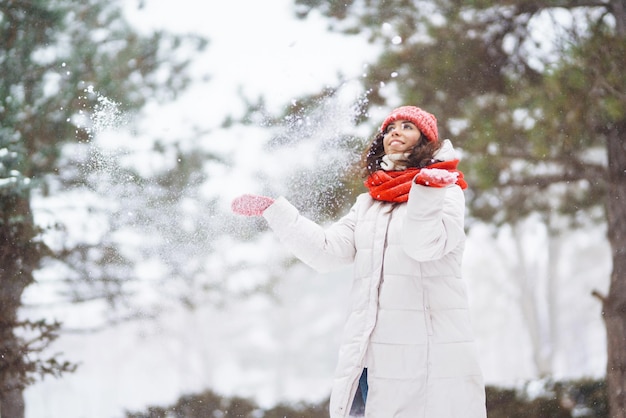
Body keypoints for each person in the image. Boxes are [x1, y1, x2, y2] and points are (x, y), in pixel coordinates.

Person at [231, 106, 487, 418]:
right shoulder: (369, 203)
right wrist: (276, 212)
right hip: (370, 355)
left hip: (425, 353)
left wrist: (427, 190)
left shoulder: (446, 190)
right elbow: (327, 251)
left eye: (408, 126)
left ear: (425, 140)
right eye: (391, 127)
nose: (396, 131)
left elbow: (425, 246)